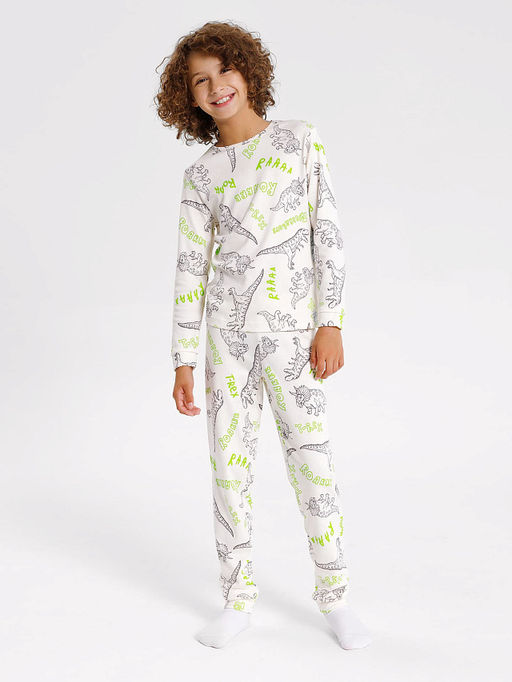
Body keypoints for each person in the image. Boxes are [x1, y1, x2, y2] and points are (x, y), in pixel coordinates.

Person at [155, 20, 372, 650]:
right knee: (230, 471)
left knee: (313, 463)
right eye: (200, 80)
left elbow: (327, 234)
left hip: (293, 339)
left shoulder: (298, 141)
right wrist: (183, 360)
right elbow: (190, 269)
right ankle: (237, 599)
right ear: (189, 98)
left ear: (248, 72)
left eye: (224, 70)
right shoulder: (201, 175)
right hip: (226, 344)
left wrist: (330, 322)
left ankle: (336, 596)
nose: (216, 86)